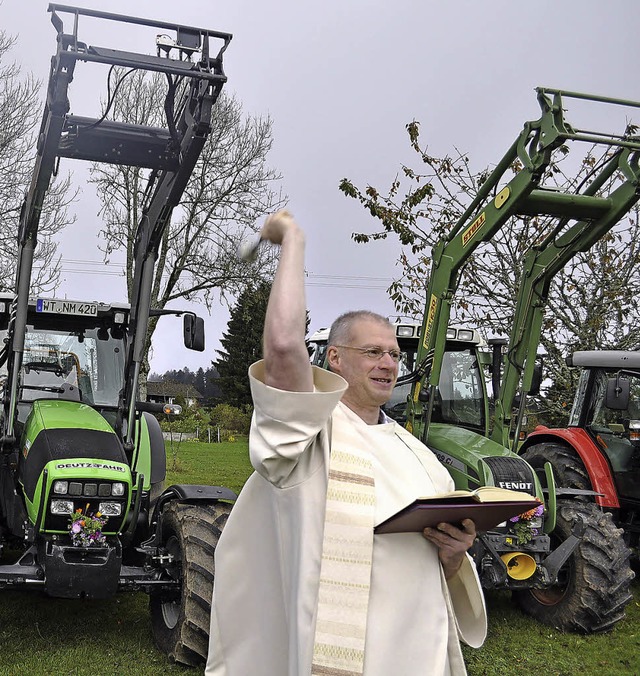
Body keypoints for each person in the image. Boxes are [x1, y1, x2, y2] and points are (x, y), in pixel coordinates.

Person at [206, 210, 487, 676]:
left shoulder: (419, 456)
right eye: (372, 351)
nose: (388, 363)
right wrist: (292, 240)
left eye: (395, 354)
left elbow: (441, 572)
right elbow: (281, 348)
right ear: (333, 357)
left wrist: (455, 554)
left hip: (417, 656)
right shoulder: (308, 435)